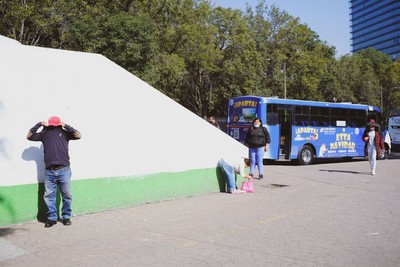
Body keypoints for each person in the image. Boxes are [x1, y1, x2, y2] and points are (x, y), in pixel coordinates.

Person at [27, 116, 81, 228]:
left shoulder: (64, 132)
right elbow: (29, 136)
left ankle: (66, 217)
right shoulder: (44, 133)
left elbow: (78, 135)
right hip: (49, 171)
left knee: (67, 195)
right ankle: (52, 218)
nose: (53, 127)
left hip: (64, 169)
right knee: (49, 196)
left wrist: (66, 125)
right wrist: (39, 124)